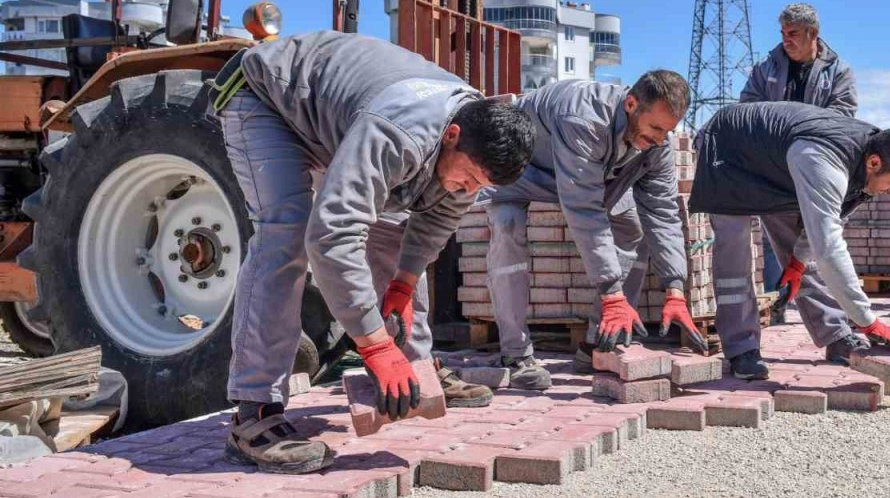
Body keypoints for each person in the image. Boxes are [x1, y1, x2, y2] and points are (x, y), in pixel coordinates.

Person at [214, 31, 535, 474]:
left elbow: (435, 220)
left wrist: (402, 283)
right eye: (469, 179)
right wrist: (374, 344)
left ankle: (414, 369)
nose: (470, 191)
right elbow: (332, 236)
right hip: (266, 98)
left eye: (482, 186)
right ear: (452, 137)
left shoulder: (476, 137)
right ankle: (254, 412)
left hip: (341, 117)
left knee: (392, 228)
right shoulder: (401, 133)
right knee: (285, 236)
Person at [481, 71, 707, 390]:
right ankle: (515, 353)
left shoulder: (657, 144)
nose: (659, 140)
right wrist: (612, 292)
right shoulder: (582, 117)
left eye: (666, 131)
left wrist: (675, 287)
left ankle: (598, 344)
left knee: (632, 223)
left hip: (584, 175)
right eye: (655, 128)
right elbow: (584, 207)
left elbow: (663, 212)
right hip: (522, 171)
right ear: (631, 104)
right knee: (506, 227)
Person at [689, 102, 890, 379]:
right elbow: (829, 245)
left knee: (804, 254)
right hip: (728, 150)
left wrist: (798, 259)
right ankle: (741, 348)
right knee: (735, 249)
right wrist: (869, 321)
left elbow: (829, 223)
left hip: (775, 165)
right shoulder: (824, 160)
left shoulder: (871, 154)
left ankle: (836, 335)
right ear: (874, 163)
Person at [739, 3, 865, 358]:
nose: (786, 40)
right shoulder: (767, 70)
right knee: (796, 257)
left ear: (813, 34)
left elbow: (842, 119)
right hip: (773, 175)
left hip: (817, 173)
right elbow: (747, 107)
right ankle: (838, 334)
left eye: (793, 34)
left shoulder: (839, 73)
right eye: (782, 33)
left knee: (818, 250)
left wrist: (793, 126)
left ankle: (844, 325)